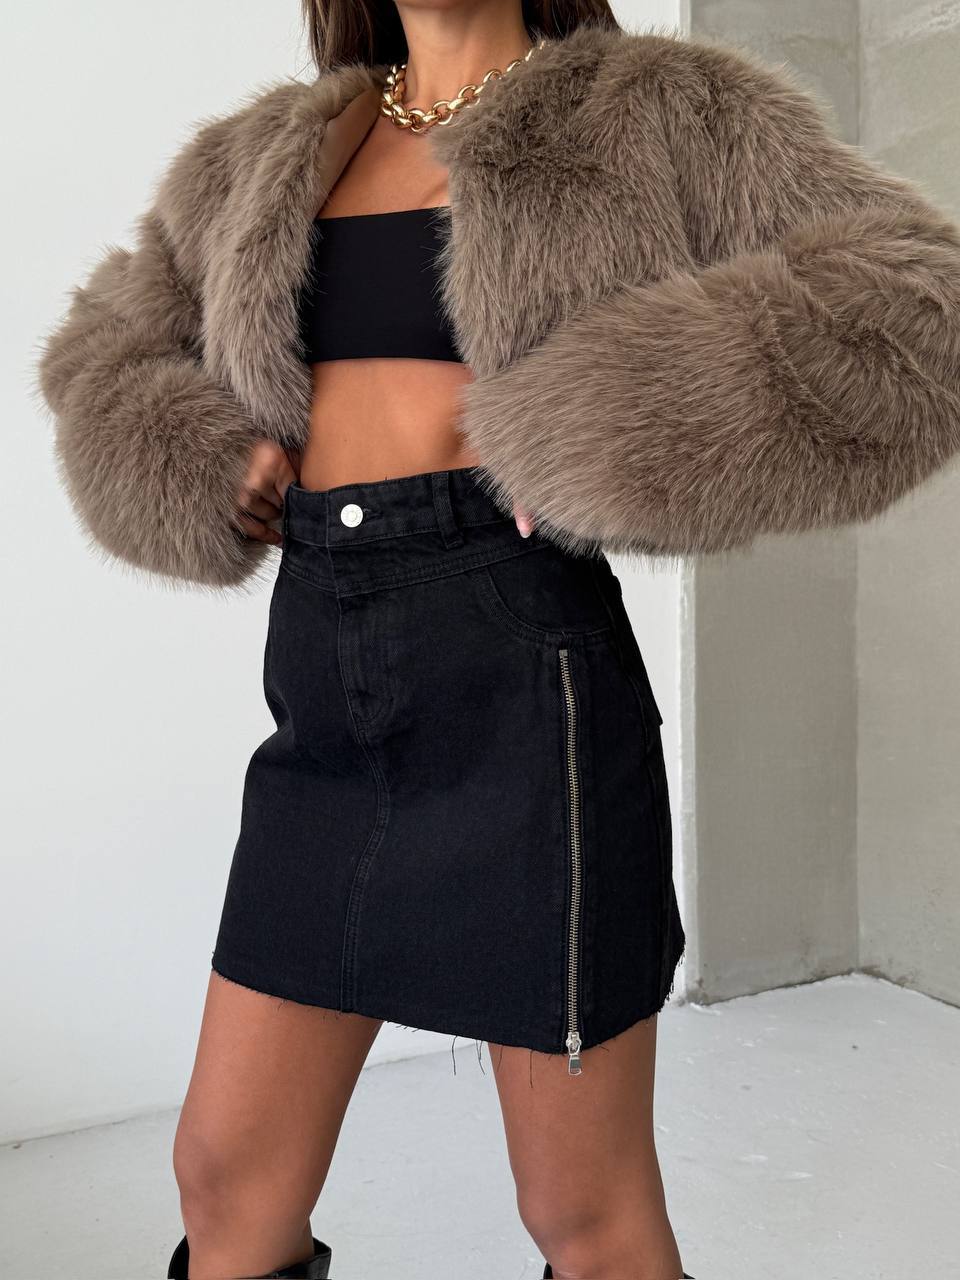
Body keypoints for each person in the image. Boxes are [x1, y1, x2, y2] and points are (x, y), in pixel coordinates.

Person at [33, 1, 960, 1277]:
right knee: (223, 1171)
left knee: (582, 1210)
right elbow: (100, 355)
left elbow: (916, 303)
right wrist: (194, 450)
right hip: (324, 689)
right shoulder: (255, 156)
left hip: (525, 680)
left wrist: (599, 428)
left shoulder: (659, 107)